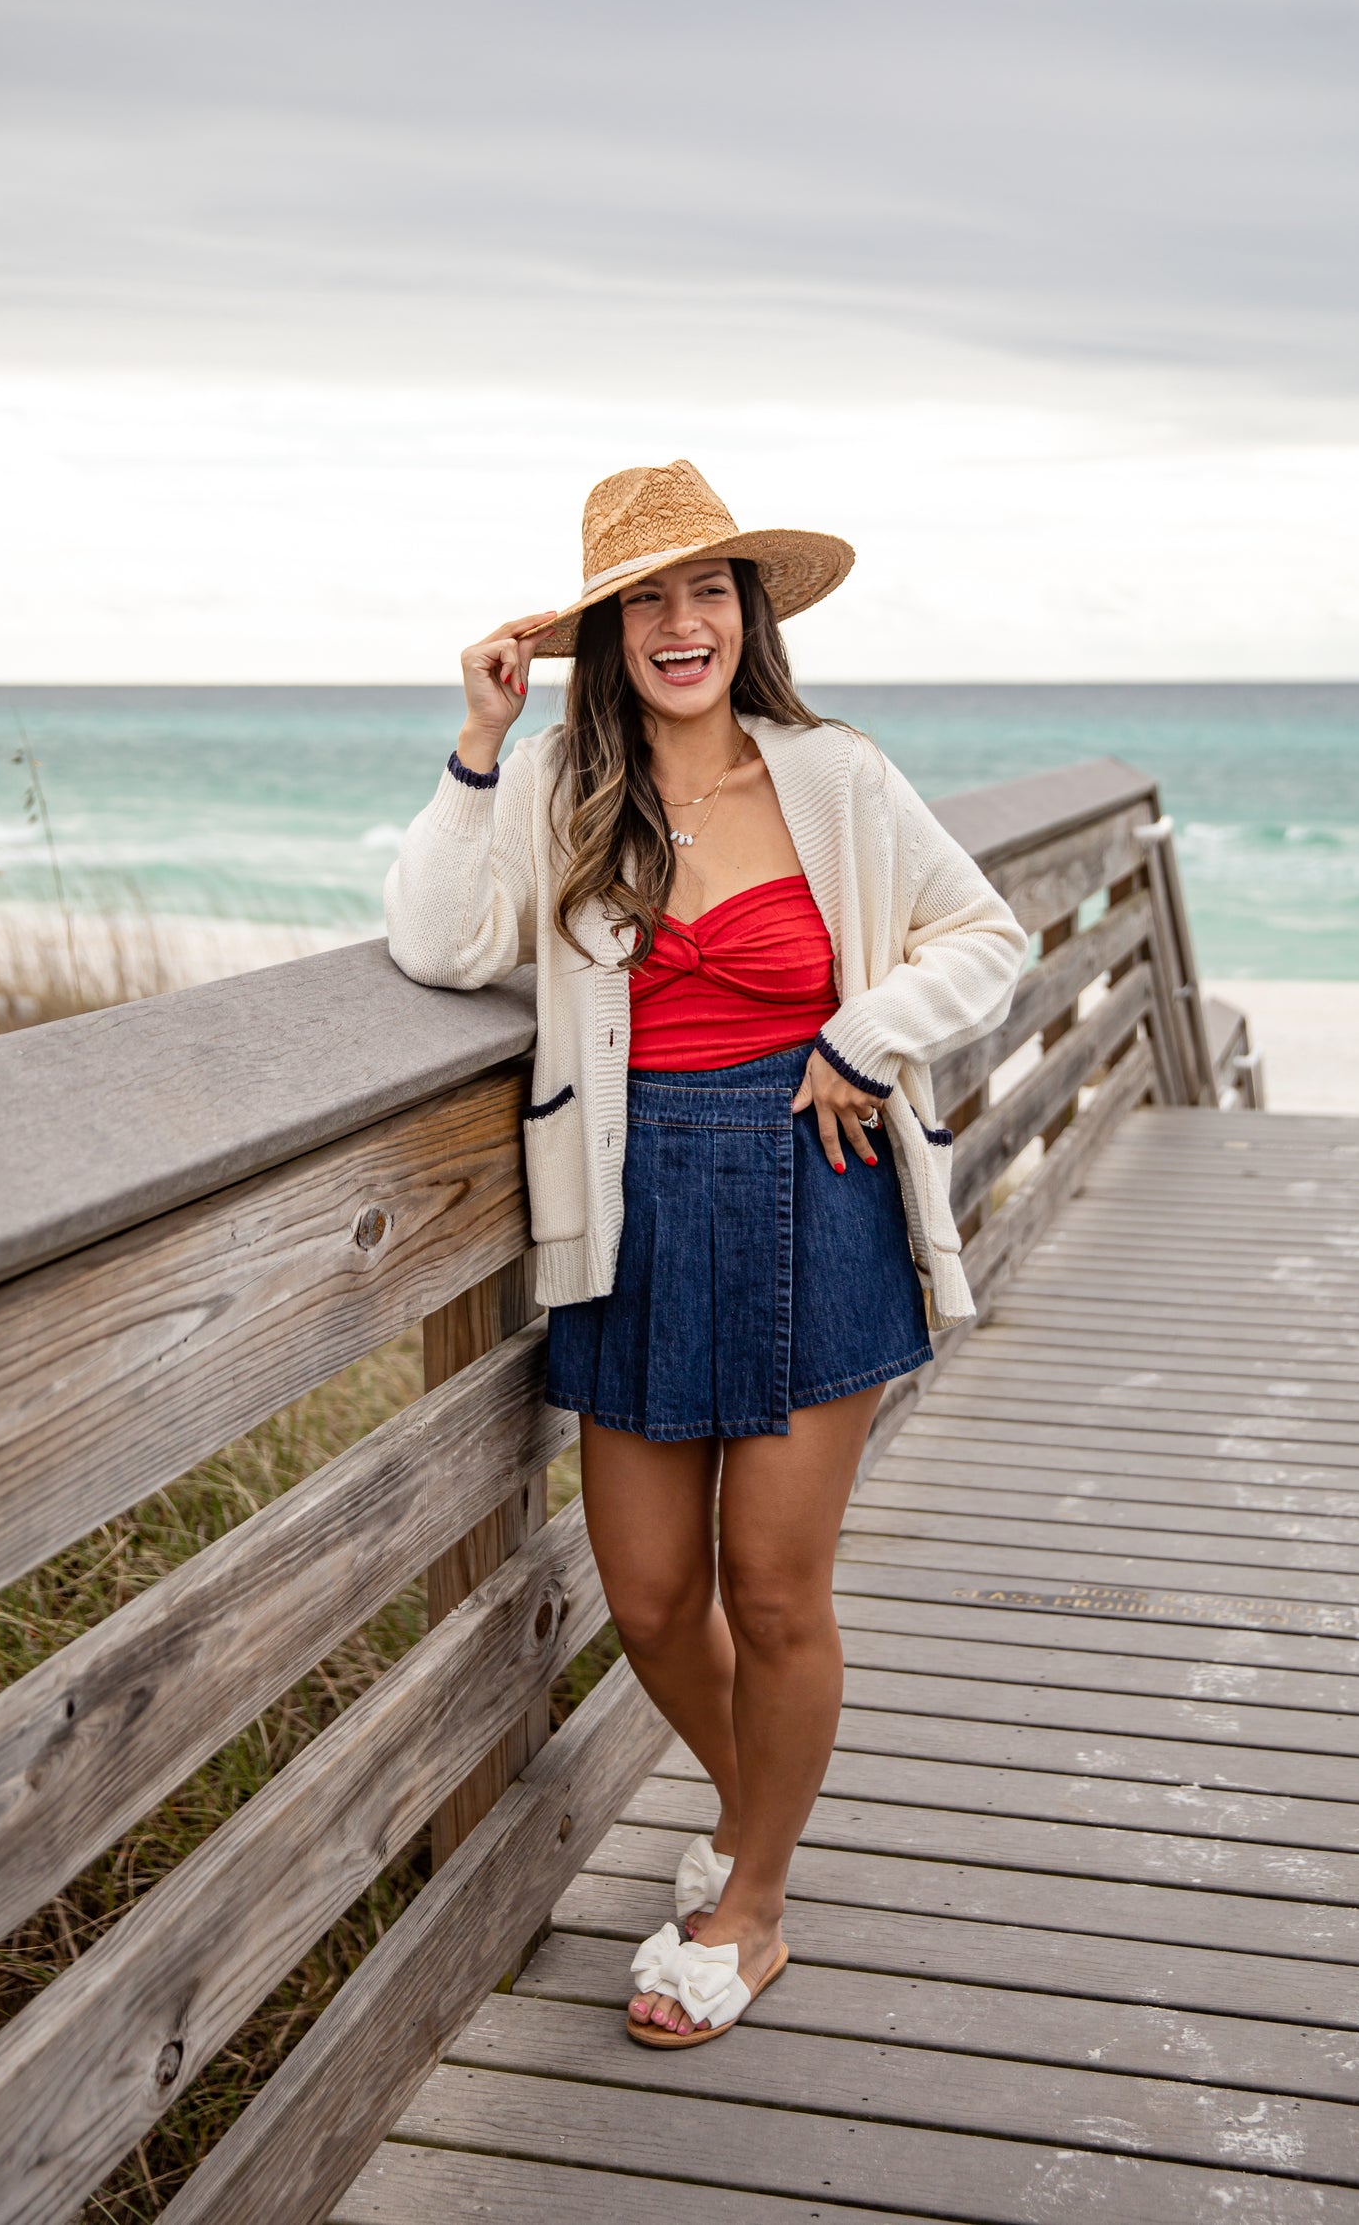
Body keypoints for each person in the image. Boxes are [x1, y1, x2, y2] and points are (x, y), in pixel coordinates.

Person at [384, 458, 1027, 2048]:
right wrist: (477, 742)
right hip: (633, 1207)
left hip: (818, 1183)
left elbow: (987, 936)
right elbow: (440, 940)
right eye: (648, 600)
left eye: (709, 591)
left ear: (749, 611)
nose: (684, 624)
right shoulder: (557, 784)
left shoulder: (838, 777)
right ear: (606, 631)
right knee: (656, 1593)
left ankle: (753, 1905)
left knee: (775, 1588)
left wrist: (869, 1033)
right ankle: (757, 1810)